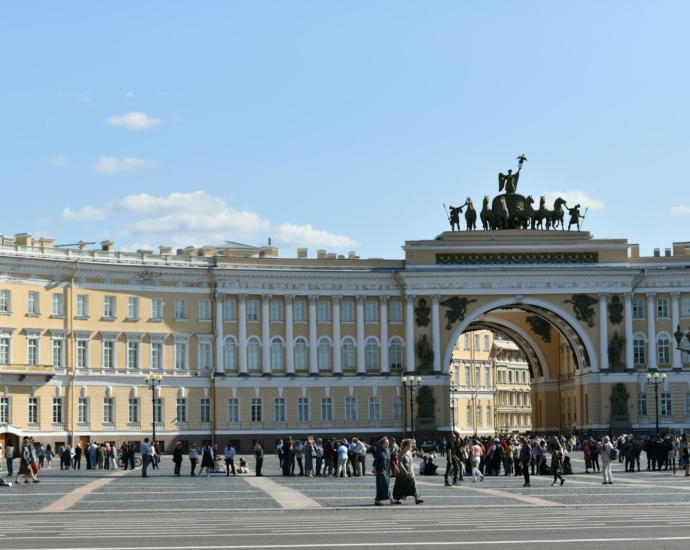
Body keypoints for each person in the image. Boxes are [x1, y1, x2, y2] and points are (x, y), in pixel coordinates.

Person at [392, 438, 423, 505]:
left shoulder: (409, 452)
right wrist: (404, 471)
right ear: (405, 446)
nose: (410, 447)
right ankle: (396, 499)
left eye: (411, 446)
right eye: (409, 446)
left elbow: (411, 462)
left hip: (411, 472)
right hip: (403, 474)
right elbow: (400, 463)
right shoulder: (401, 453)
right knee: (400, 487)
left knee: (414, 485)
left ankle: (416, 499)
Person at [372, 436, 393, 506]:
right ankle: (391, 499)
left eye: (388, 443)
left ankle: (377, 500)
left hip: (387, 471)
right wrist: (374, 470)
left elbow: (390, 461)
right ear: (382, 444)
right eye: (385, 443)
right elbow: (375, 461)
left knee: (385, 485)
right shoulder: (379, 451)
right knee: (385, 485)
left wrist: (396, 467)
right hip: (381, 471)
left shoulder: (388, 451)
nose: (387, 445)